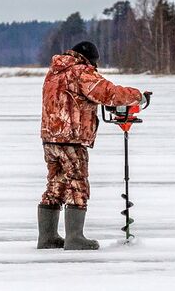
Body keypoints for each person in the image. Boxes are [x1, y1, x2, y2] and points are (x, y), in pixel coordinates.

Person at [37, 40, 143, 250]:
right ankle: (75, 237)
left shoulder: (55, 72)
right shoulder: (79, 71)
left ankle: (47, 237)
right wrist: (136, 96)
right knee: (78, 184)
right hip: (71, 138)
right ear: (89, 59)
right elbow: (107, 92)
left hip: (50, 137)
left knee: (55, 184)